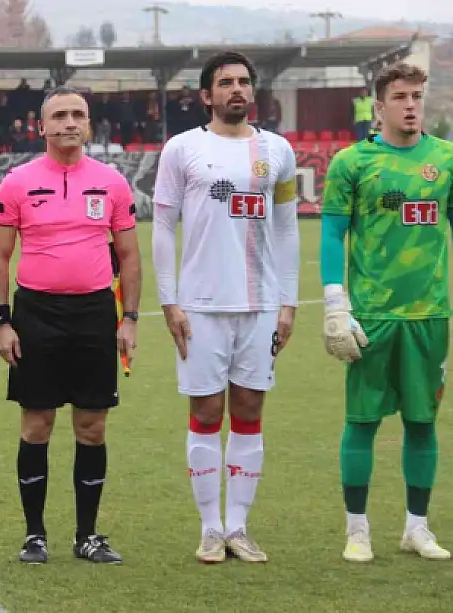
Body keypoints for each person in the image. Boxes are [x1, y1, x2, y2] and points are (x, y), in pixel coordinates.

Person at [151, 51, 300, 564]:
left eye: (244, 81)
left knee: (250, 412)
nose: (237, 89)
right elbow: (163, 228)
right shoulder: (182, 149)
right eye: (226, 82)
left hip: (259, 306)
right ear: (206, 95)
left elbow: (285, 227)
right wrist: (169, 301)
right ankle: (210, 528)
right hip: (202, 306)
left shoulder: (277, 151)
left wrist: (288, 302)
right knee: (207, 412)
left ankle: (239, 527)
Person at [0, 86, 141, 565]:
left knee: (91, 426)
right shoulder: (16, 182)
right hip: (36, 314)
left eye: (78, 114)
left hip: (95, 313)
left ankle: (87, 535)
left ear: (90, 125)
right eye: (59, 115)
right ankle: (35, 535)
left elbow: (131, 257)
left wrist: (130, 319)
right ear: (41, 126)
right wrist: (2, 322)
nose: (69, 122)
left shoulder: (112, 182)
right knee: (37, 424)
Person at [320, 62, 453, 563]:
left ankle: (416, 528)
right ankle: (358, 529)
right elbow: (333, 234)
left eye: (417, 95)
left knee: (423, 422)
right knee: (363, 420)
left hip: (430, 315)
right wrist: (335, 300)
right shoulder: (353, 163)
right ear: (379, 106)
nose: (411, 104)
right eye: (400, 96)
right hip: (371, 315)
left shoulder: (446, 159)